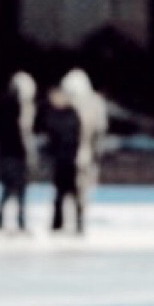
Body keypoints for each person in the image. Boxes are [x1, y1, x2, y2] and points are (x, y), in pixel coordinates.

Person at [59, 67, 107, 230]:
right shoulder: (65, 104)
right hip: (68, 155)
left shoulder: (92, 104)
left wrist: (95, 151)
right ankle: (61, 223)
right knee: (64, 189)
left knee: (80, 188)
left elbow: (98, 131)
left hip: (82, 153)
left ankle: (78, 221)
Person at [0, 72, 37, 233]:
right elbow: (19, 133)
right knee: (15, 188)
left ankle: (5, 220)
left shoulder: (8, 105)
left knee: (12, 189)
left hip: (10, 153)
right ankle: (16, 221)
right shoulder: (16, 107)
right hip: (14, 154)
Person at [39, 84, 84, 234]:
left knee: (73, 193)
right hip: (59, 161)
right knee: (59, 194)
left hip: (70, 160)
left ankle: (78, 223)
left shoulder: (71, 114)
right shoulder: (53, 114)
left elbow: (73, 138)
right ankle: (57, 224)